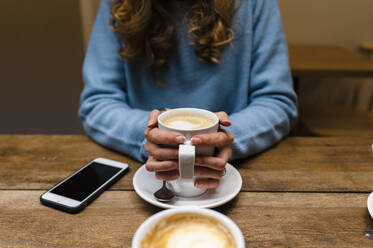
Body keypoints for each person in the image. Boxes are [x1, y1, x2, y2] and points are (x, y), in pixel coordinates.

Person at [79, 0, 297, 190]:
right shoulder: (117, 4)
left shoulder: (254, 4)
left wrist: (226, 138)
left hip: (231, 174)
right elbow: (97, 103)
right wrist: (148, 137)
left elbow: (277, 102)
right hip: (146, 176)